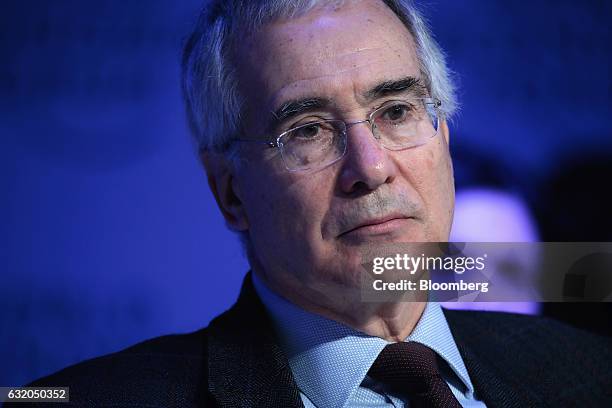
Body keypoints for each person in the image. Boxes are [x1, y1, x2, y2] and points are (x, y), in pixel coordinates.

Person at [13, 1, 611, 407]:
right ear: (230, 190)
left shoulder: (591, 374)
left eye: (397, 112)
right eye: (307, 131)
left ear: (444, 140)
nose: (371, 168)